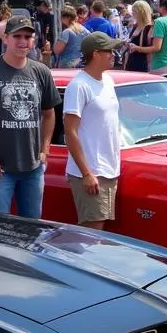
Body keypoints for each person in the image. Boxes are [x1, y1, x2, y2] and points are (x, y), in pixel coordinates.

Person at [0, 14, 59, 218]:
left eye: (28, 37)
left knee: (31, 228)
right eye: (17, 36)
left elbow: (49, 113)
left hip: (33, 167)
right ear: (5, 38)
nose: (23, 42)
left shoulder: (41, 72)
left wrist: (45, 150)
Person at [63, 33, 121, 230]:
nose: (114, 54)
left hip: (109, 169)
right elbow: (70, 132)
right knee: (92, 232)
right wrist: (86, 173)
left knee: (100, 230)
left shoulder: (108, 80)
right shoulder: (79, 86)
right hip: (91, 171)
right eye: (109, 51)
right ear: (96, 54)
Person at [135, 0, 167, 70]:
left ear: (162, 7)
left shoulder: (159, 22)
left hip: (161, 64)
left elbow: (156, 48)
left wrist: (136, 48)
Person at [125, 0, 155, 71]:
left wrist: (136, 48)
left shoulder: (150, 27)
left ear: (141, 12)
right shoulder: (135, 26)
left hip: (143, 64)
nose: (132, 13)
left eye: (134, 11)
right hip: (131, 62)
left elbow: (153, 49)